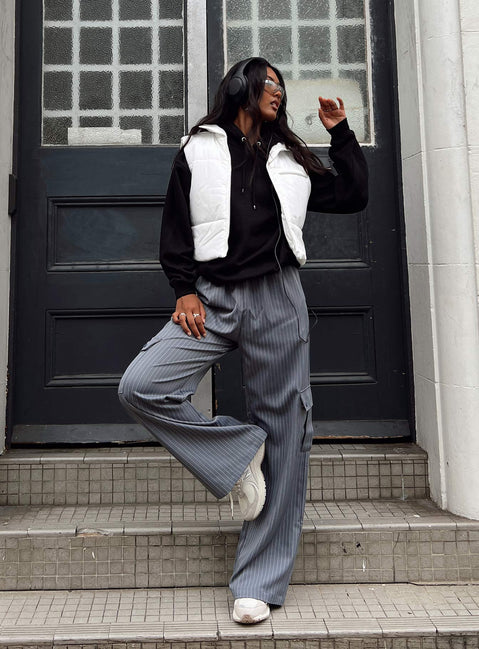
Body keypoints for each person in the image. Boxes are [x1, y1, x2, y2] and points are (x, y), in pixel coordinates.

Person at [118, 57, 368, 624]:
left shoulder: (291, 158)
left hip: (278, 298)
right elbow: (174, 226)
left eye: (281, 85)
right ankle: (237, 452)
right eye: (270, 83)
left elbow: (353, 194)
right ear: (240, 87)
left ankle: (258, 581)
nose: (278, 92)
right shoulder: (198, 148)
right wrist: (183, 290)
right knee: (142, 386)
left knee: (286, 429)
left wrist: (340, 134)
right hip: (211, 298)